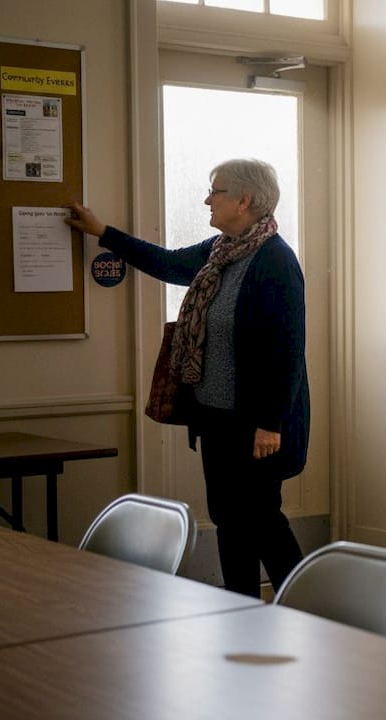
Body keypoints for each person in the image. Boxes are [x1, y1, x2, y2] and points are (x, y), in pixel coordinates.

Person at [66, 158, 309, 599]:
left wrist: (270, 423)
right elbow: (167, 263)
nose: (206, 200)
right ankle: (240, 609)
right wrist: (104, 233)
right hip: (216, 418)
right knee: (229, 520)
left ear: (244, 200)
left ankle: (314, 610)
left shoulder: (275, 260)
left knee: (263, 520)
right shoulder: (219, 252)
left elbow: (287, 350)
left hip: (258, 424)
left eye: (215, 191)